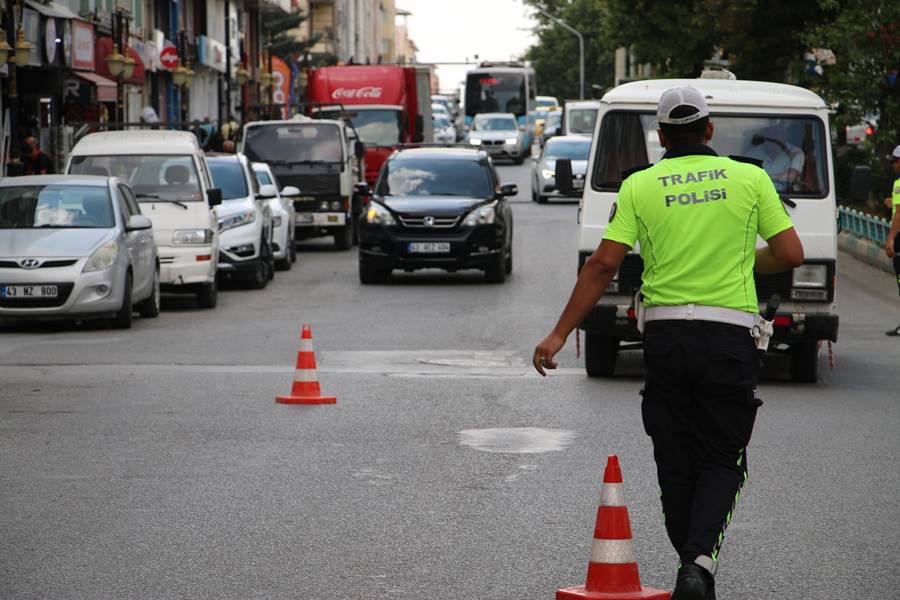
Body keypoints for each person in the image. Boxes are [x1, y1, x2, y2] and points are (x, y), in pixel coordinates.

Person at [533, 86, 804, 600]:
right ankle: (698, 566)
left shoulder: (640, 185)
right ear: (709, 130)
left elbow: (603, 264)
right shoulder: (750, 178)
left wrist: (559, 332)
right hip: (730, 340)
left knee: (675, 458)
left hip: (666, 339)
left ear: (661, 137)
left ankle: (691, 564)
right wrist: (746, 260)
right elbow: (789, 252)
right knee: (723, 457)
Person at [746, 125, 804, 191]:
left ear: (784, 136)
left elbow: (792, 176)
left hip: (788, 196)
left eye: (777, 135)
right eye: (770, 136)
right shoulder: (752, 153)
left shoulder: (795, 152)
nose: (774, 140)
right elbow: (747, 178)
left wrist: (769, 177)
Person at [884, 145, 900, 336]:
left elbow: (899, 214)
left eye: (895, 161)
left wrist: (891, 239)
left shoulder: (898, 184)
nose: (893, 165)